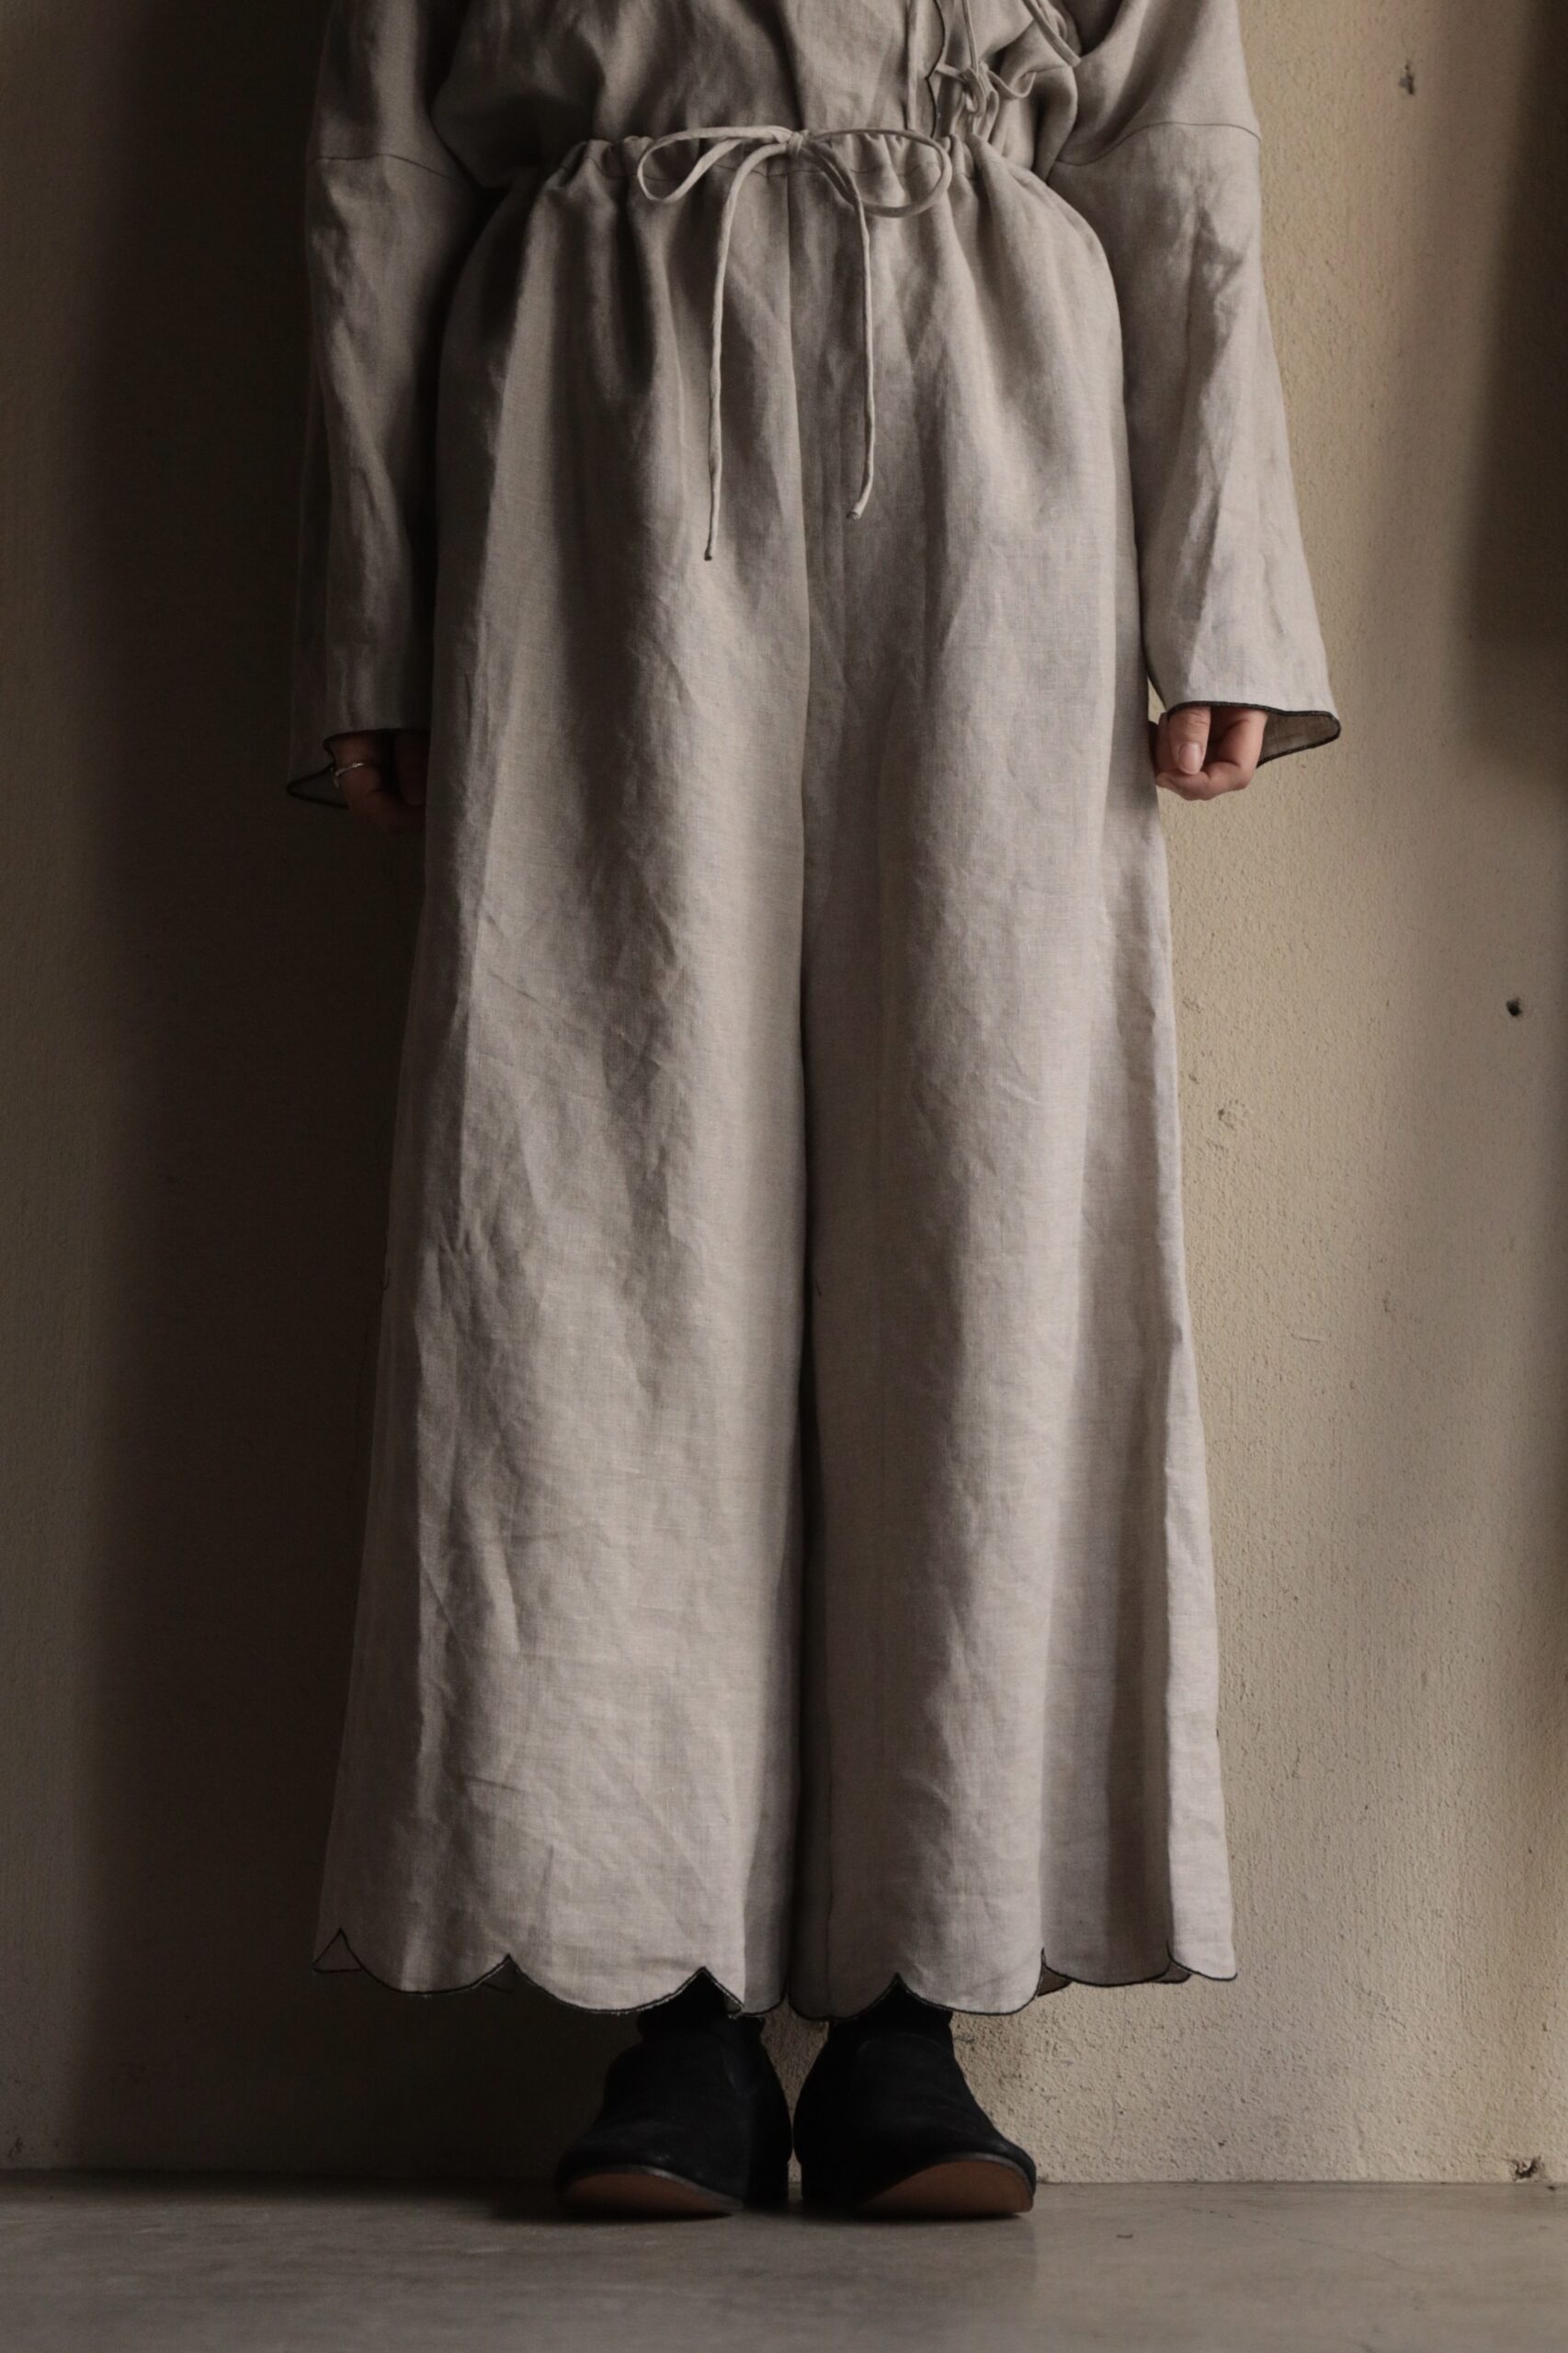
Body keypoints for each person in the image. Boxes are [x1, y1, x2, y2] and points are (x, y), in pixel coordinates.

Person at [287, 0, 1337, 2220]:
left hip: (986, 389)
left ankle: (911, 1995)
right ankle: (658, 1994)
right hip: (592, 398)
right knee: (587, 1191)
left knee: (987, 1179)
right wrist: (365, 618)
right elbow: (378, 164)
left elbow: (1174, 137)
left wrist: (1223, 581)